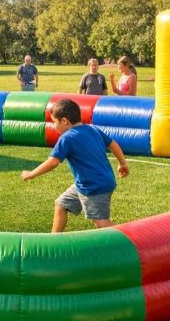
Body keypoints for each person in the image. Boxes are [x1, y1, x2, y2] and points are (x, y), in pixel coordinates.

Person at [20, 99, 129, 233]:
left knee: (101, 223)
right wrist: (122, 163)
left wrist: (31, 174)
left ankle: (130, 238)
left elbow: (53, 162)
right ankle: (54, 239)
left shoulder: (67, 138)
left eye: (54, 122)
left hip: (94, 186)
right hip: (86, 184)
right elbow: (113, 144)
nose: (54, 126)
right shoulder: (92, 128)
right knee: (61, 204)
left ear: (64, 121)